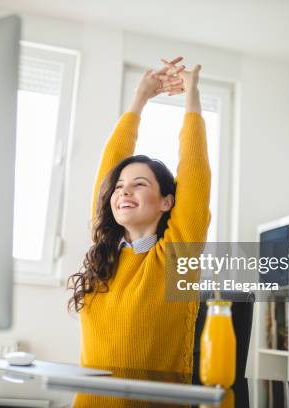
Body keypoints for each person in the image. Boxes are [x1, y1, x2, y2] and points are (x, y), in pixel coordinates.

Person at [67, 56, 211, 380]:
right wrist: (139, 98)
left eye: (139, 184)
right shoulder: (106, 253)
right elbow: (110, 169)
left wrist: (191, 94)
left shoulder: (176, 256)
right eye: (119, 187)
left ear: (166, 202)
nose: (123, 192)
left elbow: (195, 170)